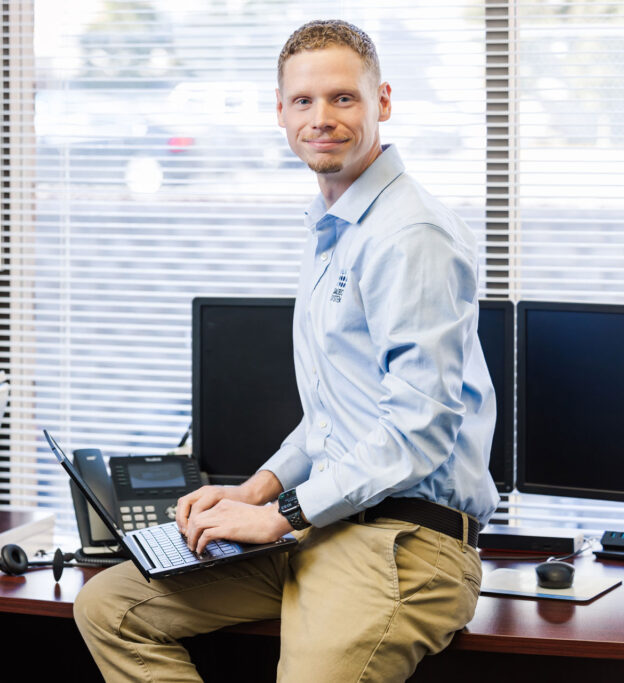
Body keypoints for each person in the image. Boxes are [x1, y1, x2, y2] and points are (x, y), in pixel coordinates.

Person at [72, 19, 499, 683]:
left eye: (343, 98)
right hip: (327, 524)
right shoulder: (335, 227)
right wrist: (255, 488)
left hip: (403, 544)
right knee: (112, 607)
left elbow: (417, 431)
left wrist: (279, 513)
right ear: (280, 111)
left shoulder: (407, 233)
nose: (321, 118)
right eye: (304, 101)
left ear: (381, 102)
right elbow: (338, 415)